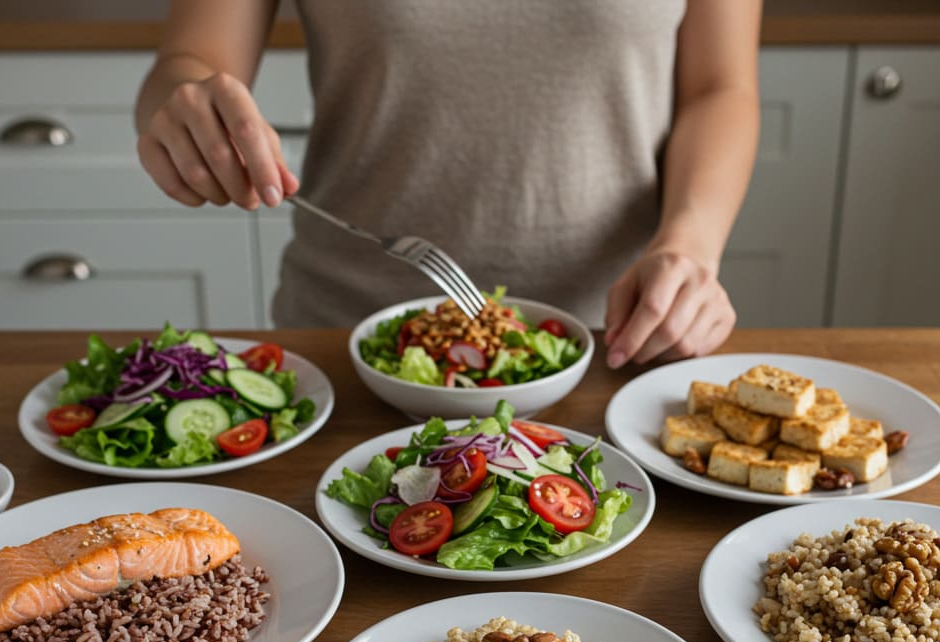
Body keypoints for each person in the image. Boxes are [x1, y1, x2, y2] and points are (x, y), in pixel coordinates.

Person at [136, 1, 760, 368]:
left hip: (618, 337)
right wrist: (184, 113)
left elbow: (720, 88)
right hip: (349, 342)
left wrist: (690, 245)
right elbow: (185, 64)